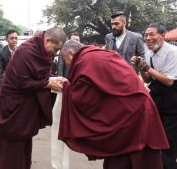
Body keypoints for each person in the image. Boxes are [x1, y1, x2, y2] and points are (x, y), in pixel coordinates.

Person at [58, 41, 169, 169]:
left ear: (71, 53)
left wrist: (66, 87)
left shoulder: (86, 60)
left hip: (134, 113)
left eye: (64, 59)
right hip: (136, 108)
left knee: (136, 157)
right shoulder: (99, 54)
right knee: (123, 156)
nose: (66, 64)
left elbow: (83, 97)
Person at [0, 28, 67, 169]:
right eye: (55, 49)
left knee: (24, 140)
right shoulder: (26, 51)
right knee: (12, 143)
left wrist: (54, 79)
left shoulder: (41, 50)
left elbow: (39, 75)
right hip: (13, 105)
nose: (55, 53)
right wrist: (48, 84)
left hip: (25, 105)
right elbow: (22, 82)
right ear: (47, 40)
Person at [132, 23, 177, 169]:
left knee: (169, 148)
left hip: (176, 103)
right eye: (146, 35)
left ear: (162, 36)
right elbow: (148, 79)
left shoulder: (173, 52)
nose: (148, 38)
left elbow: (169, 81)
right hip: (159, 101)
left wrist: (147, 67)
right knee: (155, 141)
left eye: (152, 34)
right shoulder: (149, 52)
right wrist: (141, 67)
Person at [0, 30, 18, 95]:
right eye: (12, 38)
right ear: (6, 40)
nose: (14, 40)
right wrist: (4, 88)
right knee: (3, 104)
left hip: (17, 85)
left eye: (16, 38)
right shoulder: (0, 52)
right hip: (3, 85)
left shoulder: (20, 51)